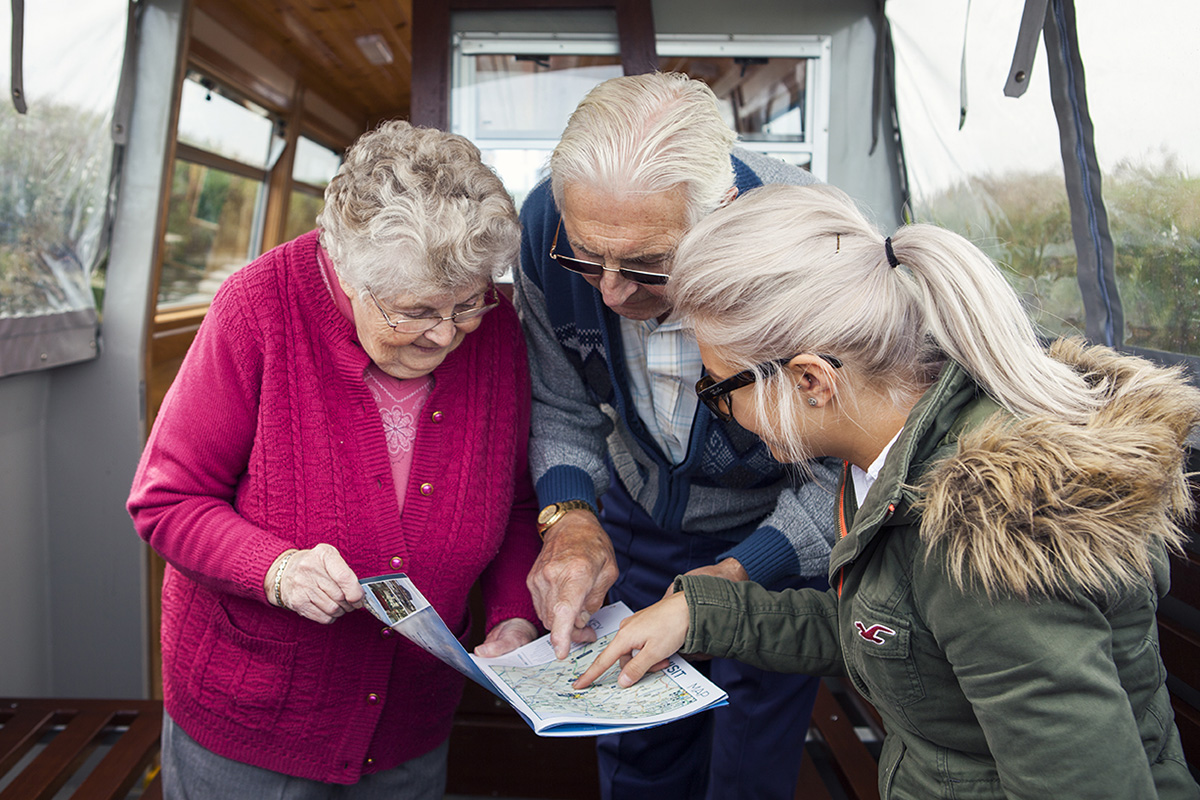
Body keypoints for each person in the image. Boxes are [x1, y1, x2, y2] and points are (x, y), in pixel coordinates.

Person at [576, 182, 1200, 799]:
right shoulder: (899, 452)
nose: (718, 413)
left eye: (718, 392)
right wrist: (701, 613)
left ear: (811, 380)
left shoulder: (986, 537)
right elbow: (891, 637)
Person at [127, 120, 542, 799]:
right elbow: (167, 501)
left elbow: (519, 504)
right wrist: (278, 570)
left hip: (413, 719)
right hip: (256, 723)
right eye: (415, 311)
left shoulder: (493, 329)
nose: (447, 333)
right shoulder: (257, 308)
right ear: (347, 275)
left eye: (466, 303)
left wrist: (512, 617)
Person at [514, 71, 841, 799]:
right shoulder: (543, 228)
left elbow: (841, 472)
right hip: (637, 520)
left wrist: (729, 580)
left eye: (647, 267)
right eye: (585, 257)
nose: (608, 294)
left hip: (780, 538)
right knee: (636, 741)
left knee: (750, 761)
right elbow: (560, 402)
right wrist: (569, 517)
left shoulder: (816, 253)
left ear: (721, 213)